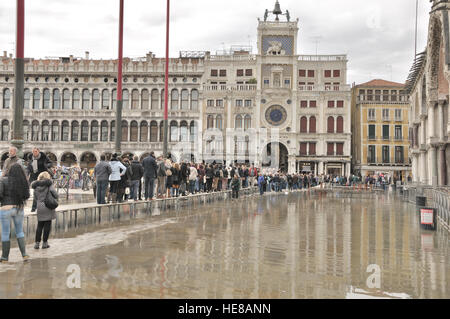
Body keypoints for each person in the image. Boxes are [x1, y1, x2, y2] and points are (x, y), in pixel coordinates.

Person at [0, 163, 30, 262]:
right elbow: (26, 196)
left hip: (6, 208)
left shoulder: (3, 180)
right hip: (19, 208)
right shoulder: (23, 182)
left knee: (5, 233)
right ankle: (24, 255)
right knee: (20, 231)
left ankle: (4, 257)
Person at [31, 171, 58, 249]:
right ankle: (45, 243)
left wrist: (34, 208)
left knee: (39, 226)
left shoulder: (35, 186)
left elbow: (35, 198)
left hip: (40, 207)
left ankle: (37, 243)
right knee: (47, 226)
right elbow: (55, 194)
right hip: (48, 206)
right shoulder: (49, 185)